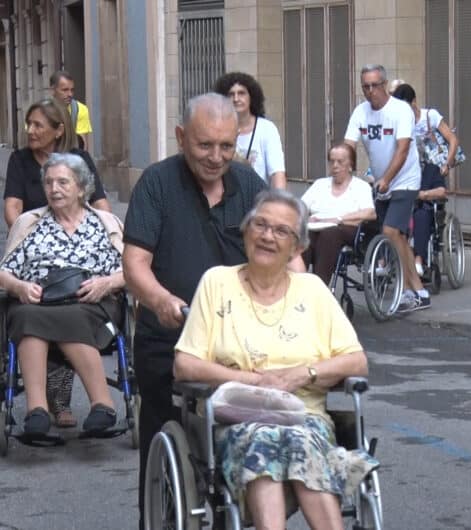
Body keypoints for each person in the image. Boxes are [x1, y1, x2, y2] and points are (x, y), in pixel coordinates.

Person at [173, 189, 378, 528]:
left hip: (304, 417)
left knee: (300, 440)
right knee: (262, 438)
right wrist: (254, 382)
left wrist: (300, 375)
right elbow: (185, 364)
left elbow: (356, 363)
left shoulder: (312, 290)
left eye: (281, 231)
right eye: (260, 225)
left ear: (298, 247)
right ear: (245, 231)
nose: (268, 236)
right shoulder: (217, 283)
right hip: (235, 419)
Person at [122, 93, 267, 529]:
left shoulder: (250, 187)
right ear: (182, 137)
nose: (217, 157)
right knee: (164, 433)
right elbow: (135, 264)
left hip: (240, 343)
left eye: (227, 146)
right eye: (205, 146)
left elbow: (285, 255)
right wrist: (161, 300)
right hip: (171, 339)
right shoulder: (157, 183)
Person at [3, 97, 111, 428]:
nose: (53, 189)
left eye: (62, 183)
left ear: (81, 189)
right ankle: (37, 411)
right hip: (40, 297)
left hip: (87, 299)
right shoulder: (31, 222)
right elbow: (5, 271)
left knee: (72, 313)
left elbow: (130, 270)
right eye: (48, 183)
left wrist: (108, 282)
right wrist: (19, 286)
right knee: (25, 314)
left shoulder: (101, 222)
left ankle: (102, 405)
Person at [344, 64, 430, 312]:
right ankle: (419, 291)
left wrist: (387, 180)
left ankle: (406, 290)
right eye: (365, 87)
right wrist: (344, 170)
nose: (370, 91)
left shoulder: (400, 110)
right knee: (398, 237)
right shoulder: (360, 112)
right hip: (382, 180)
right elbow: (349, 145)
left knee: (391, 231)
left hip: (405, 179)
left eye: (374, 86)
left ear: (384, 85)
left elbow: (403, 150)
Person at [391, 83, 455, 276]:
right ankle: (387, 259)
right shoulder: (398, 123)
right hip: (406, 181)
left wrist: (446, 165)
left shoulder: (430, 117)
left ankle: (419, 259)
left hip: (430, 172)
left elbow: (453, 139)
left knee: (422, 214)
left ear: (414, 102)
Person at [301, 143, 376, 285]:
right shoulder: (320, 184)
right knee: (303, 235)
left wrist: (338, 219)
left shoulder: (361, 186)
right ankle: (298, 284)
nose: (335, 165)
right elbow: (300, 206)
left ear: (350, 165)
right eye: (332, 161)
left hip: (346, 228)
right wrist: (304, 218)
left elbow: (370, 213)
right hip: (316, 227)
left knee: (329, 234)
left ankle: (320, 287)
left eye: (340, 161)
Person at [214, 71, 287, 189]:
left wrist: (279, 203)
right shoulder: (216, 128)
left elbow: (277, 173)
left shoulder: (266, 129)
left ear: (251, 97)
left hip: (258, 198)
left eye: (241, 93)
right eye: (231, 94)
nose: (236, 99)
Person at [50, 70, 92, 150]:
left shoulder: (79, 109)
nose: (70, 94)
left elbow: (82, 146)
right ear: (53, 91)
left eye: (72, 90)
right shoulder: (40, 111)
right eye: (65, 90)